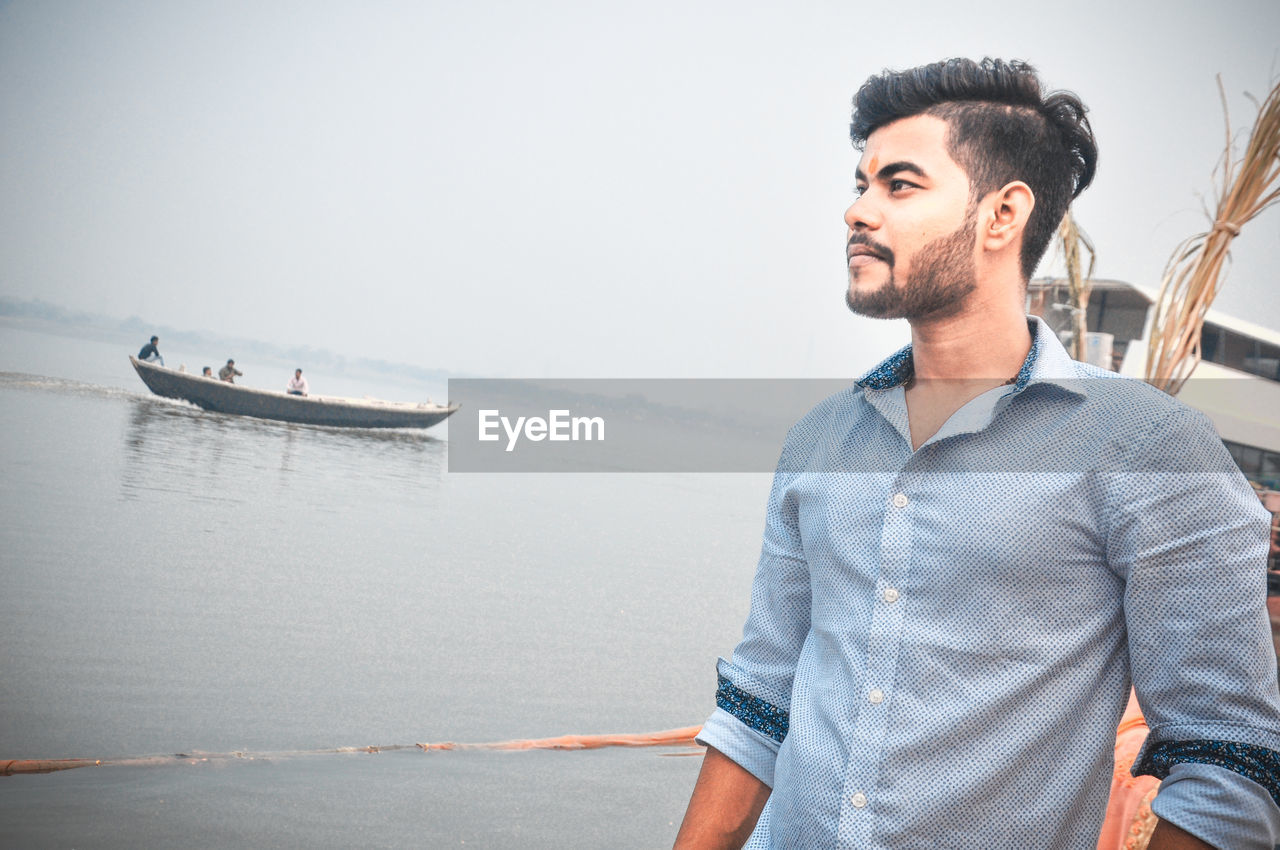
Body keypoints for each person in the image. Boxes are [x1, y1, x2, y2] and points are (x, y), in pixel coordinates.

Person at [675, 58, 1280, 850]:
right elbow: (759, 699)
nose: (857, 212)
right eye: (859, 184)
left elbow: (1226, 757)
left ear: (1002, 216)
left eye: (899, 185)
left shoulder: (1147, 449)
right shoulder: (821, 440)